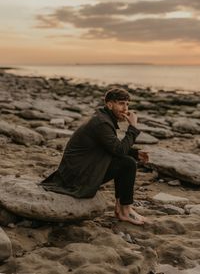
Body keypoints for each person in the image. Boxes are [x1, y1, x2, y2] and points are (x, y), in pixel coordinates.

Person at [41, 87, 149, 225]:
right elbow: (119, 150)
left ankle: (121, 208)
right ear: (110, 104)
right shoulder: (102, 123)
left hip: (78, 171)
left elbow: (110, 146)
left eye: (127, 104)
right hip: (76, 178)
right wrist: (133, 127)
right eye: (121, 103)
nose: (126, 108)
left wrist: (135, 153)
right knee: (127, 163)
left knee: (126, 161)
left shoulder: (102, 118)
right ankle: (125, 210)